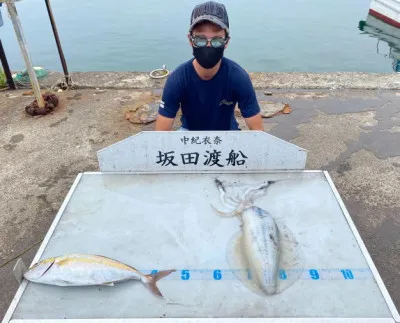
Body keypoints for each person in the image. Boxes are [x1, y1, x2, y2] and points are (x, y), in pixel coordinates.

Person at [154, 1, 263, 131]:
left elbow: (258, 133)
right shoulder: (178, 79)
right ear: (190, 40)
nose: (208, 46)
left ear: (226, 42)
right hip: (189, 134)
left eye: (217, 40)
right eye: (200, 39)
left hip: (227, 133)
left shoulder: (238, 77)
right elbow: (160, 136)